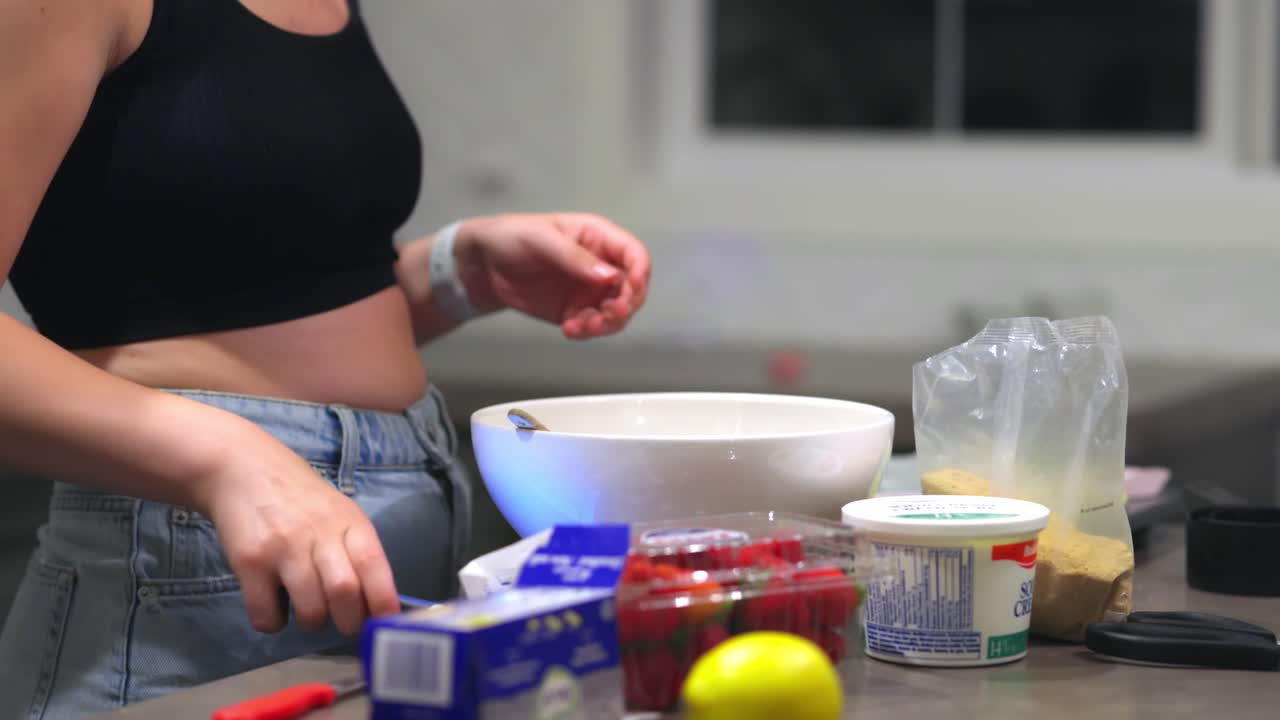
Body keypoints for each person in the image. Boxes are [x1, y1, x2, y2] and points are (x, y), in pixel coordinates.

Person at [0, 0, 652, 717]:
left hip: (370, 568)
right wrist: (227, 460)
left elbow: (259, 302)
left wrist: (457, 273)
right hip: (178, 592)